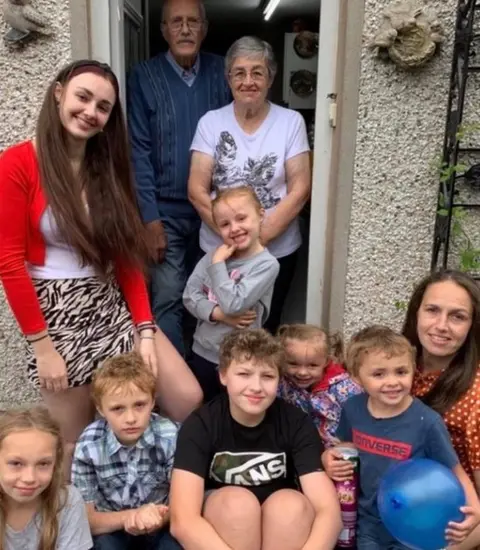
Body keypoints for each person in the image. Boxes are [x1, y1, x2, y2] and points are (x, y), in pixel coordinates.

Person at [0, 59, 202, 477]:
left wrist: (145, 329)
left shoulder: (106, 167)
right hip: (55, 316)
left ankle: (150, 487)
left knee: (185, 397)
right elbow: (9, 262)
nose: (91, 111)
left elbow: (126, 255)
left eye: (104, 107)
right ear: (59, 94)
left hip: (109, 307)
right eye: (83, 97)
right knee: (72, 443)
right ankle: (85, 530)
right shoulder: (17, 163)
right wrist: (42, 347)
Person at [169, 328, 342, 550]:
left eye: (268, 376)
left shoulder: (295, 422)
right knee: (237, 504)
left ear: (279, 380)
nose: (256, 387)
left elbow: (328, 513)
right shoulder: (201, 424)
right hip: (225, 524)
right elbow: (183, 521)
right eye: (244, 374)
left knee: (290, 505)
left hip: (282, 530)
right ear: (223, 375)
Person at [188, 35, 311, 334]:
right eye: (239, 73)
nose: (248, 81)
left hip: (275, 250)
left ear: (271, 77)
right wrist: (235, 238)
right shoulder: (211, 123)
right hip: (219, 251)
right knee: (217, 326)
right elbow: (196, 190)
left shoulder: (290, 122)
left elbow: (300, 189)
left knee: (263, 327)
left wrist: (258, 239)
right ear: (228, 78)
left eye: (258, 72)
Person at [127, 0, 231, 356]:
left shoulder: (224, 72)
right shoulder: (143, 77)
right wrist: (149, 218)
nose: (185, 29)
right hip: (166, 213)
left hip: (216, 210)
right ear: (163, 31)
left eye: (192, 22)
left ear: (204, 28)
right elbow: (137, 149)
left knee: (213, 293)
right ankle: (177, 383)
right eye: (176, 22)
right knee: (169, 296)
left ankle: (212, 374)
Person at [322, 325, 480, 550]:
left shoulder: (427, 422)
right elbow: (346, 446)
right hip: (369, 521)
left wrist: (475, 511)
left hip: (414, 522)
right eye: (379, 374)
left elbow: (455, 470)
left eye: (401, 371)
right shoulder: (353, 409)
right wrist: (329, 457)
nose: (392, 382)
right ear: (356, 377)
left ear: (413, 370)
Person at [403, 270, 480, 550]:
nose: (441, 325)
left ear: (473, 325)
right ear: (416, 314)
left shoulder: (475, 395)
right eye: (432, 310)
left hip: (445, 538)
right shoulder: (390, 374)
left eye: (457, 316)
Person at [71, 352, 181, 550]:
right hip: (111, 528)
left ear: (153, 402)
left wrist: (156, 518)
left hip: (161, 523)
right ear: (101, 409)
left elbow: (184, 504)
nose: (130, 418)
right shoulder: (89, 446)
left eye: (139, 405)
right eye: (118, 409)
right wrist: (131, 517)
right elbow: (85, 518)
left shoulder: (170, 436)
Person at [183, 186, 279, 401]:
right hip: (203, 351)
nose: (234, 228)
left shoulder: (266, 265)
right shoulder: (212, 256)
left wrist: (218, 266)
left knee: (233, 413)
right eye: (225, 224)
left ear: (260, 215)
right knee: (205, 411)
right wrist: (219, 315)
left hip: (240, 360)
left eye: (241, 218)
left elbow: (234, 303)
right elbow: (189, 295)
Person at [0, 406, 92, 550]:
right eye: (16, 463)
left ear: (56, 463)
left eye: (43, 464)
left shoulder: (66, 501)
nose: (29, 478)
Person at [276, 323, 362, 447]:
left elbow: (364, 420)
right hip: (299, 446)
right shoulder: (282, 383)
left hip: (336, 450)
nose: (302, 372)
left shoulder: (344, 388)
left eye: (312, 365)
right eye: (293, 364)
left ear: (326, 361)